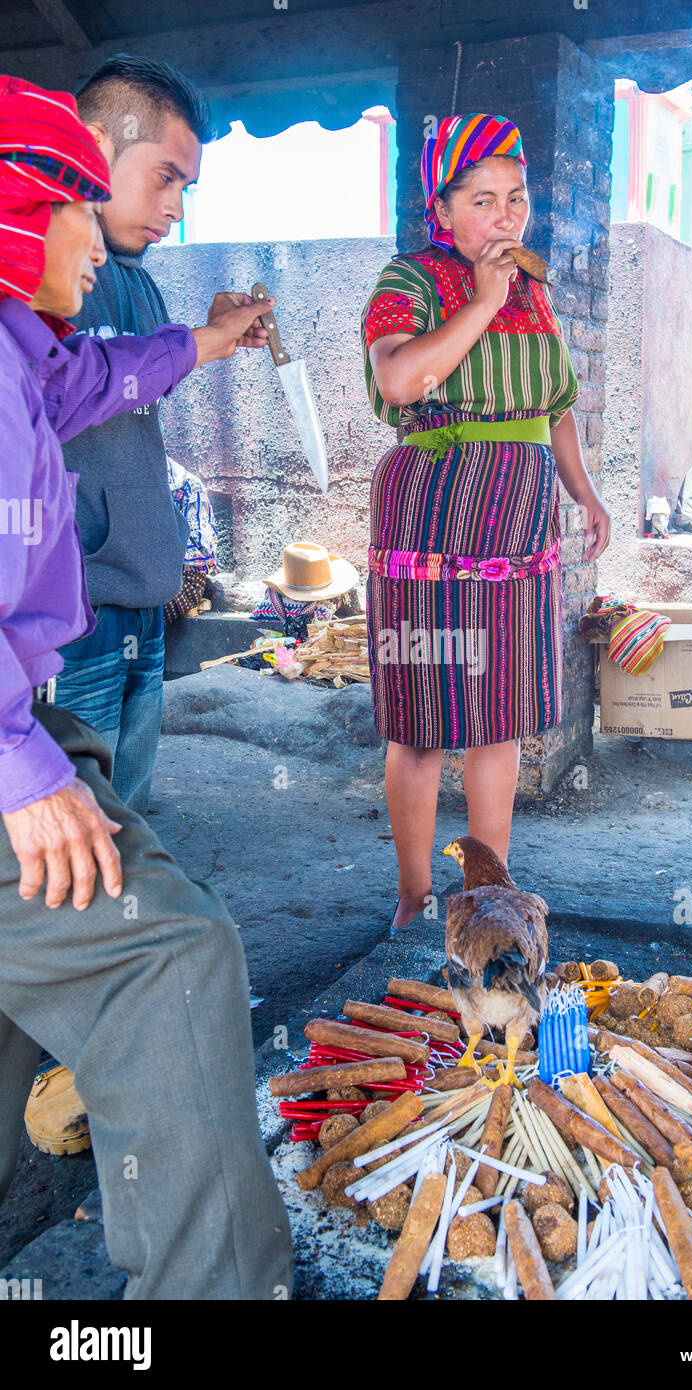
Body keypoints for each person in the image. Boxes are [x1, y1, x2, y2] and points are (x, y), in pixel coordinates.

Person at [0, 74, 292, 1299]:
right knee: (170, 954)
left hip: (32, 706)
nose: (105, 237)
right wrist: (20, 769)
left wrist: (210, 342)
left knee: (43, 985)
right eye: (79, 206)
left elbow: (102, 378)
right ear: (29, 211)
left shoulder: (24, 349)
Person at [361, 113, 610, 932]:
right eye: (481, 200)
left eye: (516, 198)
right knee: (423, 717)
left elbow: (556, 409)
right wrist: (484, 299)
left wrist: (584, 494)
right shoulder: (410, 281)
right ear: (443, 209)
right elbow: (400, 380)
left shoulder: (533, 292)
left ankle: (485, 896)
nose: (504, 218)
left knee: (496, 714)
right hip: (434, 509)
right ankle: (412, 896)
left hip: (518, 513)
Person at [53, 54, 242, 813]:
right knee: (64, 845)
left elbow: (130, 382)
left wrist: (208, 334)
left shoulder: (131, 271)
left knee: (121, 826)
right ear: (96, 145)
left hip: (143, 592)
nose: (175, 207)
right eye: (163, 177)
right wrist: (198, 341)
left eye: (186, 188)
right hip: (70, 615)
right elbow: (72, 381)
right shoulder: (34, 264)